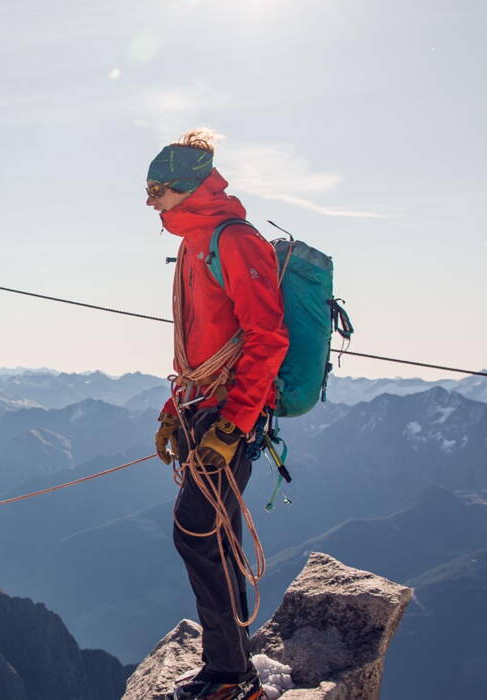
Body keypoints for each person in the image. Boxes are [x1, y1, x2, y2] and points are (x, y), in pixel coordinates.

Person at [146, 129, 288, 700]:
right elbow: (197, 344)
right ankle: (230, 670)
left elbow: (267, 337)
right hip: (202, 408)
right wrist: (170, 412)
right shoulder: (193, 243)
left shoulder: (234, 240)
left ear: (186, 187)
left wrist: (234, 425)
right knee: (211, 534)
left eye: (157, 188)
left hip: (229, 414)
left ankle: (232, 675)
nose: (150, 200)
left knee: (196, 533)